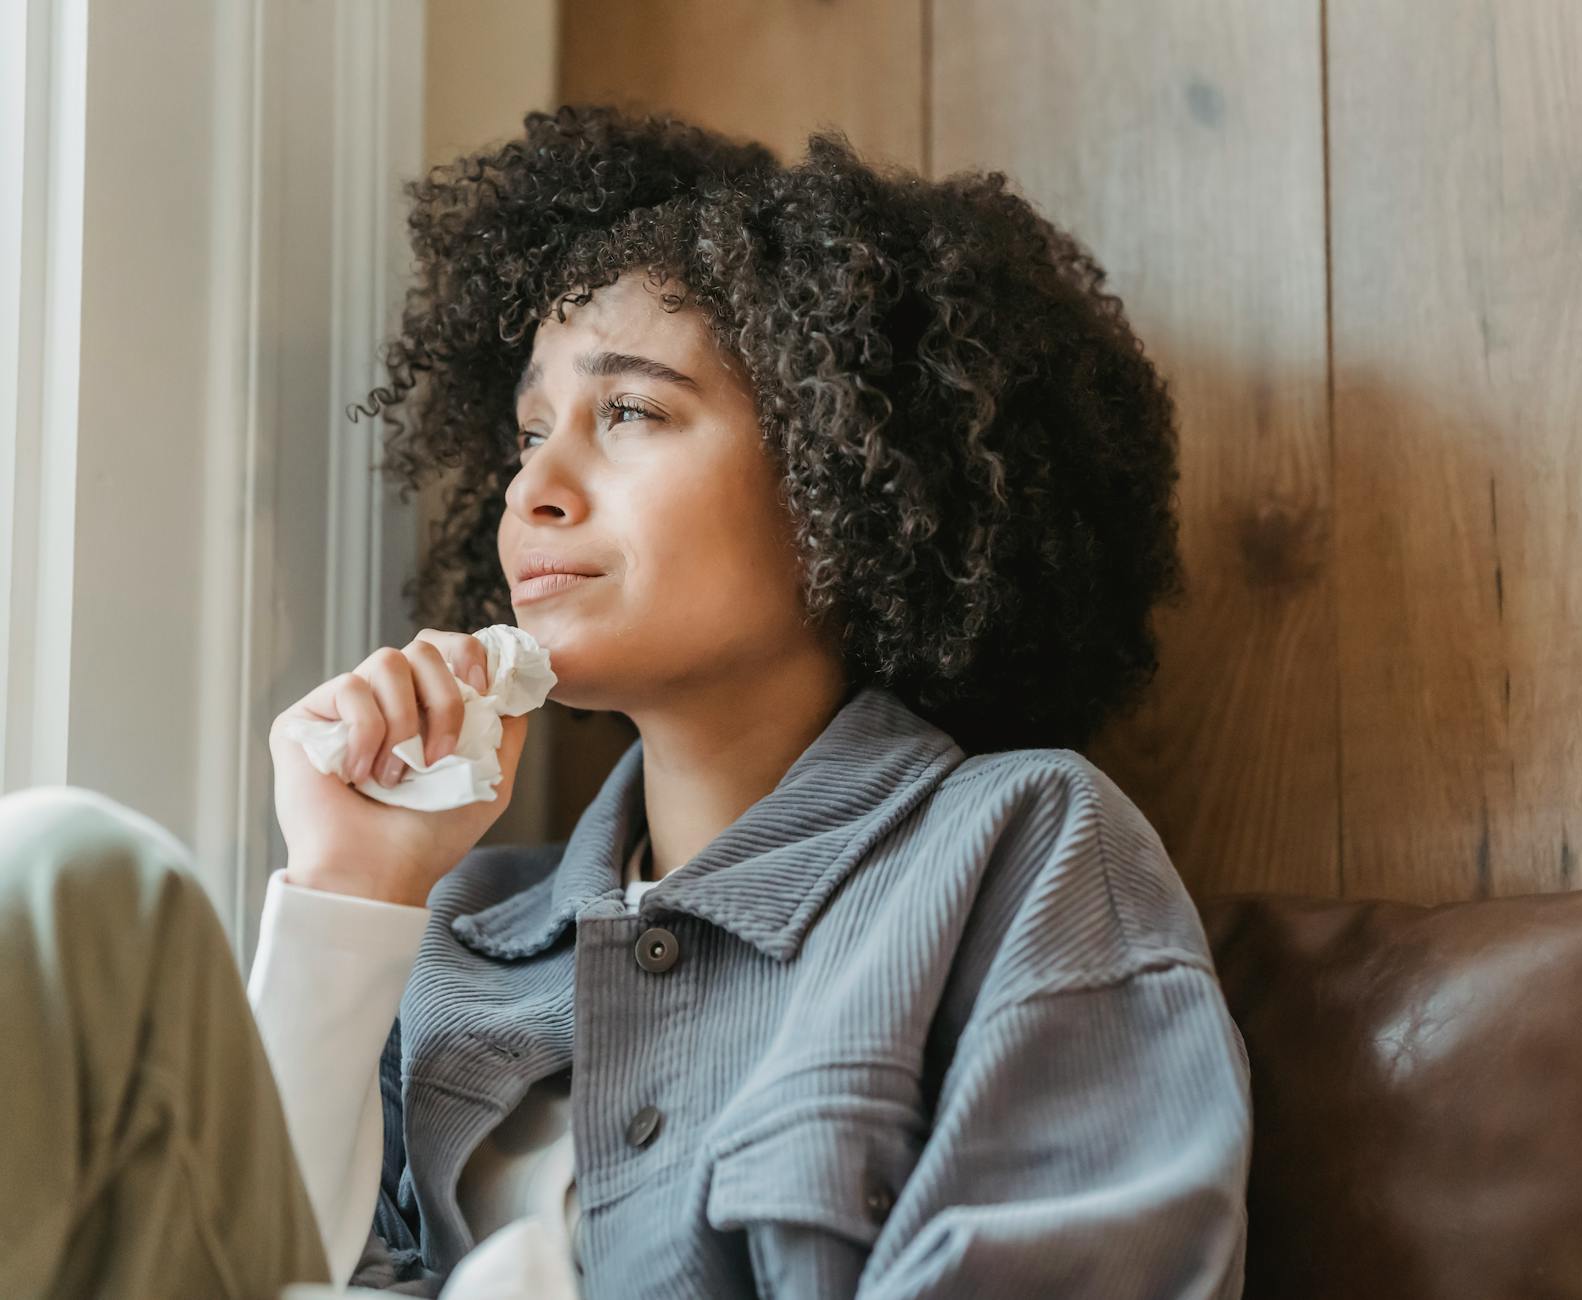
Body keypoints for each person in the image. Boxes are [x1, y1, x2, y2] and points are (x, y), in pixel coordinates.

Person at [0, 105, 1250, 1299]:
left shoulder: (1024, 852)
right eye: (527, 433)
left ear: (847, 474)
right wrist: (351, 892)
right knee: (60, 876)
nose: (531, 488)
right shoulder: (456, 934)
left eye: (631, 410)